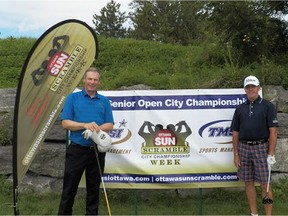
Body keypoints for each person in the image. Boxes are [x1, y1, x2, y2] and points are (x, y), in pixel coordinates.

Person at [58, 67, 114, 215]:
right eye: (90, 79)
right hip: (77, 150)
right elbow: (65, 123)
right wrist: (84, 125)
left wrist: (96, 129)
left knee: (94, 189)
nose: (92, 82)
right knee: (69, 188)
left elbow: (110, 124)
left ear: (99, 82)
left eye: (95, 80)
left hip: (96, 151)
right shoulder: (72, 98)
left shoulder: (104, 101)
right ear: (84, 79)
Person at [231, 75, 278, 216]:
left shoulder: (268, 106)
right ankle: (254, 214)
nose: (250, 89)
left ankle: (268, 215)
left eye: (253, 86)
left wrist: (271, 154)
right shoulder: (240, 109)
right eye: (248, 87)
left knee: (265, 184)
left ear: (259, 88)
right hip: (244, 148)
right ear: (245, 89)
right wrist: (236, 154)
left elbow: (273, 131)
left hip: (261, 148)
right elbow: (235, 132)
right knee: (248, 183)